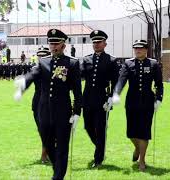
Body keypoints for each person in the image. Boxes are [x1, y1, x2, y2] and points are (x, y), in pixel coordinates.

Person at [14, 29, 82, 180]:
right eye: (51, 43)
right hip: (44, 112)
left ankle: (57, 177)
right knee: (48, 143)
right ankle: (58, 168)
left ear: (63, 45)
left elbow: (77, 91)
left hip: (63, 113)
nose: (53, 46)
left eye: (56, 43)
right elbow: (33, 75)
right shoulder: (43, 62)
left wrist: (77, 112)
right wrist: (23, 82)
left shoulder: (72, 63)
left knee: (62, 147)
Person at [111, 40, 163, 171]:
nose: (138, 51)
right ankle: (137, 148)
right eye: (136, 49)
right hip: (132, 102)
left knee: (144, 132)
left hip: (147, 102)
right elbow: (121, 80)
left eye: (140, 48)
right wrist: (116, 93)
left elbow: (158, 84)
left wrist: (159, 99)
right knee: (131, 132)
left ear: (146, 50)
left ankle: (142, 161)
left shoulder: (153, 64)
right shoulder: (128, 64)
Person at [80, 30, 120, 168]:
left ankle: (98, 159)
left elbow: (116, 81)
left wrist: (112, 97)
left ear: (105, 44)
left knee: (100, 128)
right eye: (94, 42)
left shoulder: (112, 60)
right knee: (88, 126)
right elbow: (79, 75)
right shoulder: (86, 59)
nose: (96, 44)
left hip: (103, 100)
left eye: (99, 42)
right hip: (87, 99)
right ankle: (100, 147)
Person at [34, 46, 51, 163]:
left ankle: (45, 154)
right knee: (41, 130)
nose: (41, 58)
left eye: (43, 56)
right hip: (37, 103)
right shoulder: (34, 69)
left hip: (50, 103)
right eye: (39, 56)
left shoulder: (53, 69)